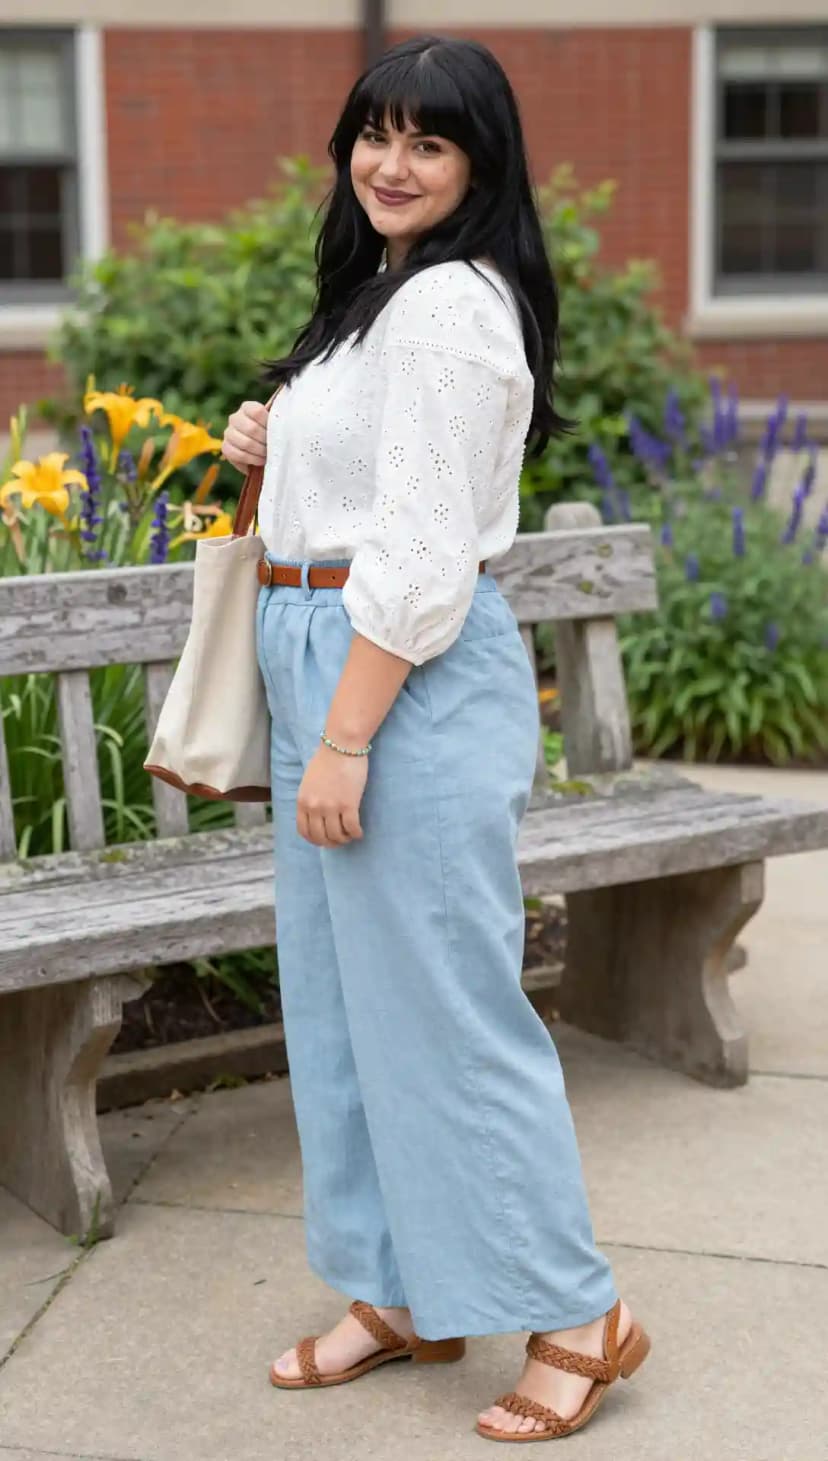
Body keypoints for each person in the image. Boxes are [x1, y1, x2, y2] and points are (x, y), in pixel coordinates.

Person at [221, 32, 649, 1444]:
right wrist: (270, 454)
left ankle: (579, 1308)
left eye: (430, 142)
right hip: (319, 657)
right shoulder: (378, 298)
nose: (391, 163)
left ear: (479, 165)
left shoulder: (457, 306)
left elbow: (418, 550)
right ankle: (399, 1285)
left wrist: (345, 739)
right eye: (375, 134)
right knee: (343, 1012)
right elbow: (359, 495)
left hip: (391, 674)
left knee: (452, 1012)